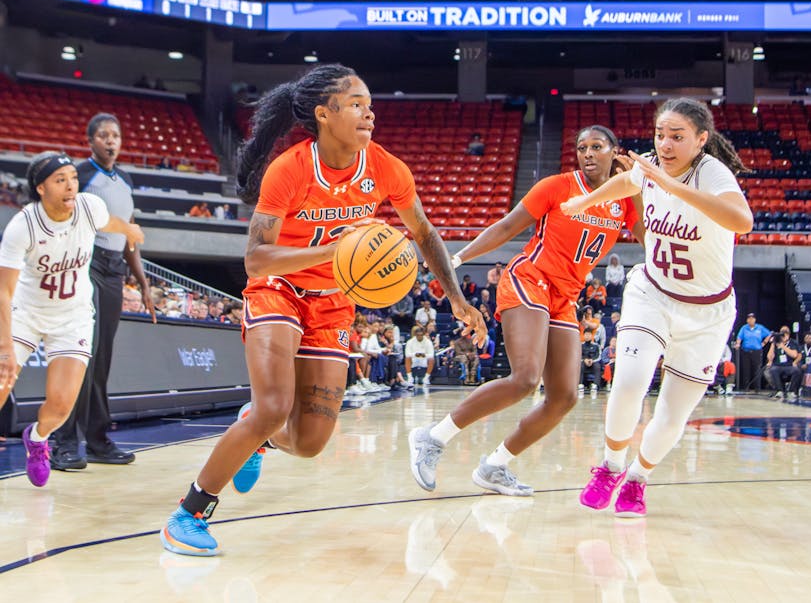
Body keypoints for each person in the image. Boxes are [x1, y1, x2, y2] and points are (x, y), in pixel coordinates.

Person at [160, 64, 485, 557]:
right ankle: (190, 512)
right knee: (274, 407)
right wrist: (337, 251)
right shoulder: (290, 168)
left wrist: (456, 297)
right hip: (277, 288)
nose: (368, 113)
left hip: (333, 303)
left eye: (370, 104)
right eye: (356, 103)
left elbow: (423, 233)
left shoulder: (386, 168)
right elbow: (256, 258)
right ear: (323, 113)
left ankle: (259, 437)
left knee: (310, 442)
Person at [408, 125, 642, 497]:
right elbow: (506, 227)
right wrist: (458, 257)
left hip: (565, 296)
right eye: (582, 148)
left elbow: (647, 236)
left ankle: (495, 466)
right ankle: (432, 438)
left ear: (615, 152)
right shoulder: (557, 186)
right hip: (530, 279)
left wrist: (637, 184)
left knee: (565, 396)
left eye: (597, 147)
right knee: (526, 377)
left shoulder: (624, 198)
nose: (588, 154)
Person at [567, 97, 752, 518]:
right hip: (652, 293)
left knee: (672, 414)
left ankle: (637, 478)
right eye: (660, 135)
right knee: (629, 381)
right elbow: (629, 182)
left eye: (677, 137)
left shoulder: (713, 173)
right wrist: (586, 202)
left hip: (707, 313)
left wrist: (670, 185)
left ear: (701, 139)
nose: (665, 145)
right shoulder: (651, 164)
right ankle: (611, 465)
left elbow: (743, 221)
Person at [0, 152, 144, 486]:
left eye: (73, 178)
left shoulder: (89, 207)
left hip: (73, 316)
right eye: (60, 180)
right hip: (28, 314)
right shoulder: (23, 225)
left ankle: (37, 439)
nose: (70, 186)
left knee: (62, 406)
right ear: (41, 188)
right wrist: (5, 347)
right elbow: (4, 292)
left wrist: (130, 231)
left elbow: (113, 224)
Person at [52, 113, 157, 472]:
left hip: (115, 269)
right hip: (86, 265)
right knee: (85, 354)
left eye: (116, 135)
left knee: (103, 358)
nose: (111, 141)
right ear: (91, 141)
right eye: (103, 135)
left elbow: (129, 237)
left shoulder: (125, 181)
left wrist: (142, 283)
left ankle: (97, 440)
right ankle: (63, 442)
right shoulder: (79, 176)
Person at [734, 313, 771, 391]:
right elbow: (739, 337)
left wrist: (764, 343)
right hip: (746, 351)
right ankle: (746, 387)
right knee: (746, 370)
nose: (751, 320)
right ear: (747, 320)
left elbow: (769, 334)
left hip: (757, 351)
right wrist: (738, 343)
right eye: (749, 318)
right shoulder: (744, 328)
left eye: (752, 318)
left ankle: (757, 388)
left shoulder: (759, 328)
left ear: (755, 319)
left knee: (757, 370)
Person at [763, 328, 801, 399]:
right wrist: (773, 344)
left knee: (796, 370)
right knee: (772, 370)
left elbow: (794, 355)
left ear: (788, 335)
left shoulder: (792, 342)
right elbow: (769, 357)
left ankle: (791, 391)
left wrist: (783, 346)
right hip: (778, 366)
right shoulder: (776, 343)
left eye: (785, 333)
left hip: (789, 365)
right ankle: (779, 390)